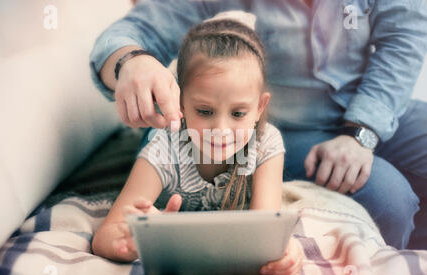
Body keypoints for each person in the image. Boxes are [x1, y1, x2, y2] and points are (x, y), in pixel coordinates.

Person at [90, 0, 427, 250]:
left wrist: (362, 131)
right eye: (204, 111)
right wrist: (130, 61)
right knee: (390, 199)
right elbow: (133, 32)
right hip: (288, 127)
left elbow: (404, 39)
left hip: (373, 99)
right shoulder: (178, 147)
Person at [91, 18, 305, 275]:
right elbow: (105, 237)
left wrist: (285, 254)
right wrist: (134, 241)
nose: (221, 130)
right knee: (156, 133)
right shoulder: (163, 150)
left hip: (191, 130)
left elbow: (265, 232)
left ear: (260, 108)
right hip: (173, 133)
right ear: (178, 101)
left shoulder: (266, 143)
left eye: (238, 113)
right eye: (205, 111)